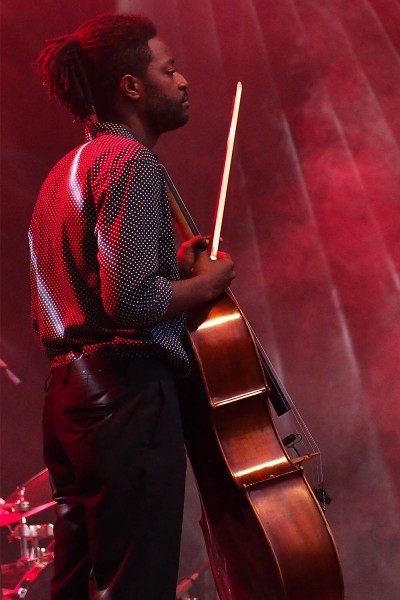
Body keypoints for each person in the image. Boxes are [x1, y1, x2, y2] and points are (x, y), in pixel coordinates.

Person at [29, 13, 235, 600]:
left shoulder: (61, 174)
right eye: (169, 70)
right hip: (125, 398)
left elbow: (83, 292)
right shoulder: (130, 163)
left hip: (67, 401)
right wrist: (210, 282)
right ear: (131, 87)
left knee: (73, 586)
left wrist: (172, 266)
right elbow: (132, 299)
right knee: (137, 585)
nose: (184, 80)